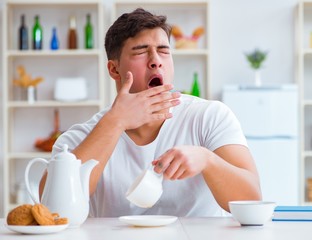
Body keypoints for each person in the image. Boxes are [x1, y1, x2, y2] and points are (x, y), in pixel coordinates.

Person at [40, 8, 261, 217]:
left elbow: (252, 200)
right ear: (114, 69)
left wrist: (208, 160)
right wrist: (115, 122)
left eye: (164, 51)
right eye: (141, 51)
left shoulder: (210, 117)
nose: (156, 61)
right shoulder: (79, 137)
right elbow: (51, 211)